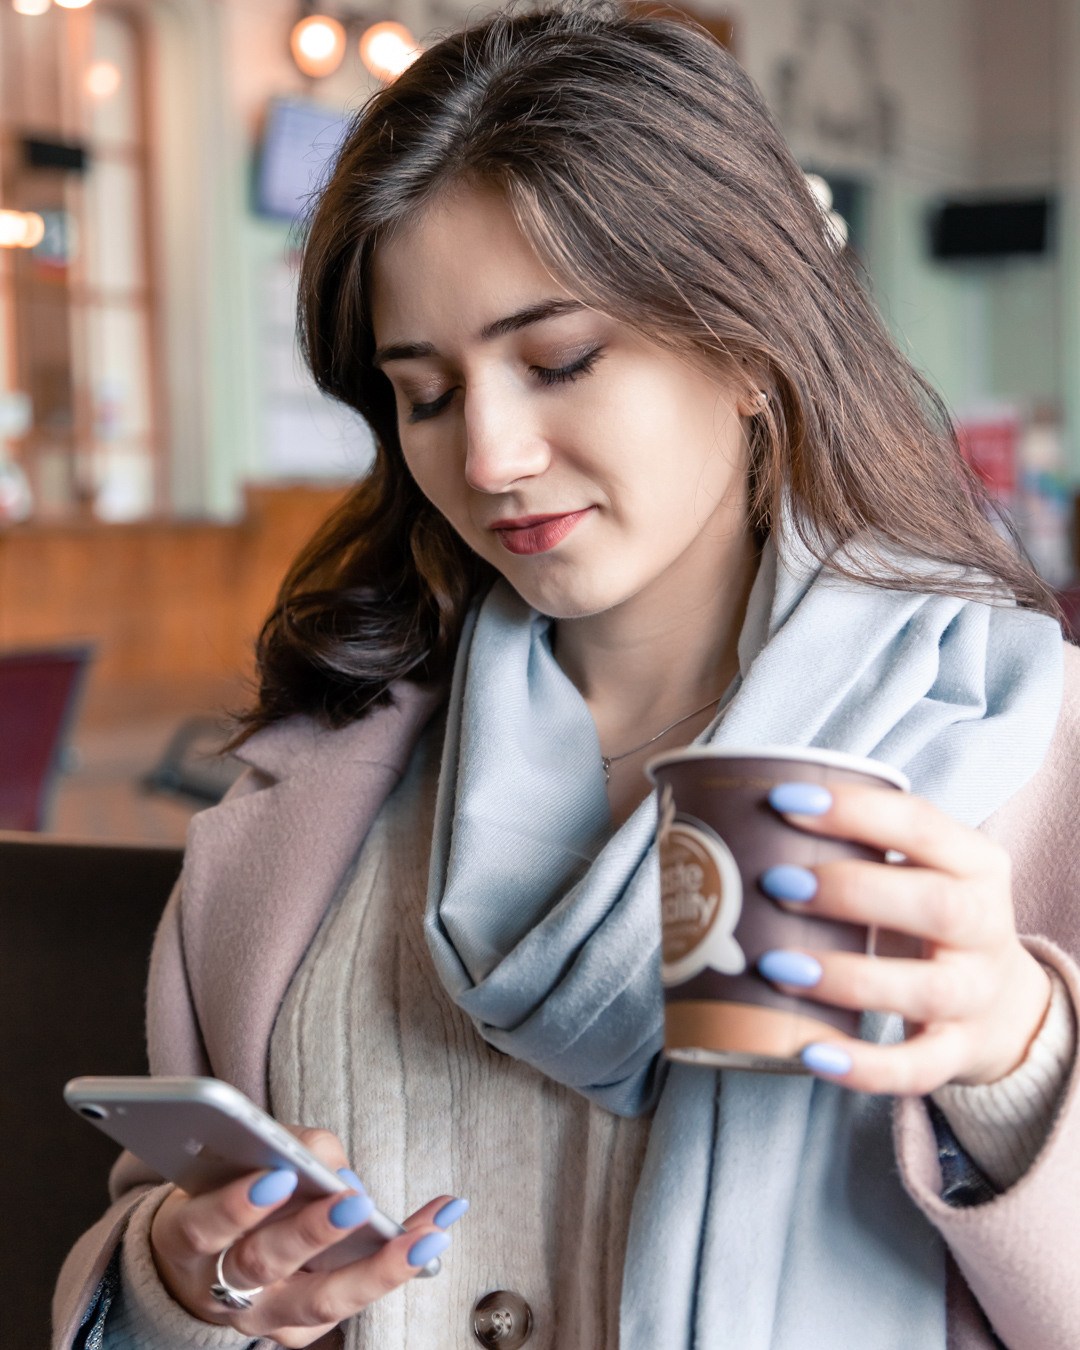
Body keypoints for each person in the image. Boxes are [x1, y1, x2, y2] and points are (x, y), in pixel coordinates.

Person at [54, 4, 1080, 1348]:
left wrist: (1018, 1054)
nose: (488, 455)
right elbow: (161, 1244)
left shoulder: (1018, 755)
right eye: (424, 392)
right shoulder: (311, 802)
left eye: (559, 361)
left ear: (749, 344)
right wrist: (195, 1287)